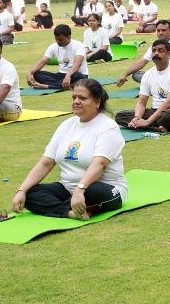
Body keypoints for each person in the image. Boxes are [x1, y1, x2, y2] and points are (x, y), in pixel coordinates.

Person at [11, 78, 125, 220]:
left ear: (97, 102)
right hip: (68, 189)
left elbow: (99, 164)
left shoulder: (108, 127)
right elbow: (45, 163)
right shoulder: (66, 125)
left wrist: (80, 189)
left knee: (94, 192)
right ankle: (70, 211)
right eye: (74, 97)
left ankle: (67, 206)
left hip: (102, 188)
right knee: (30, 192)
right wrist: (21, 190)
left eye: (82, 98)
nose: (76, 101)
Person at [115, 39, 170, 132]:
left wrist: (148, 121)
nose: (156, 53)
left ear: (168, 54)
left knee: (169, 115)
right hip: (155, 112)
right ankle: (157, 128)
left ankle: (149, 125)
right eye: (154, 50)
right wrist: (137, 118)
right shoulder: (148, 74)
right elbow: (141, 103)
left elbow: (169, 103)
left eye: (160, 51)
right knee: (120, 116)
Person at [117, 20, 170, 85]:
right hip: (159, 77)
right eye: (158, 30)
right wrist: (125, 75)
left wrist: (169, 78)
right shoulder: (155, 46)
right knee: (136, 75)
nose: (160, 33)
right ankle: (156, 85)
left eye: (164, 30)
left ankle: (158, 85)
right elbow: (142, 62)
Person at [27, 25, 89, 90]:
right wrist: (30, 73)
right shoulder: (53, 46)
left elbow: (78, 64)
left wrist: (68, 76)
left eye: (60, 40)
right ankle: (64, 85)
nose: (57, 41)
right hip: (61, 75)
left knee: (77, 76)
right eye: (56, 39)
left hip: (76, 75)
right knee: (36, 74)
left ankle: (47, 86)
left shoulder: (79, 45)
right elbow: (43, 61)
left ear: (69, 37)